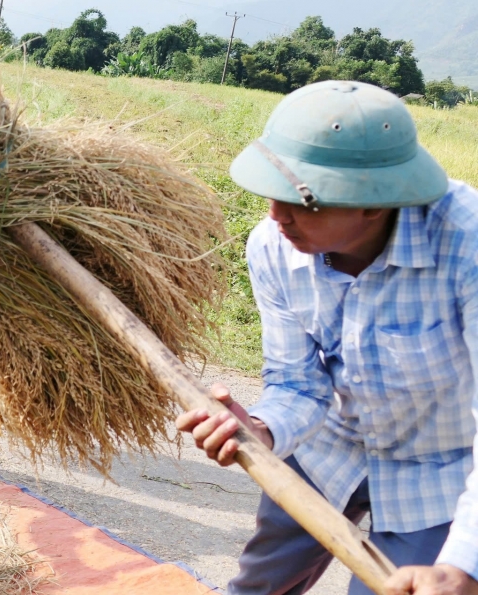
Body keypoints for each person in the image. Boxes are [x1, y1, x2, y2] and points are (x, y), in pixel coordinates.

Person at [177, 80, 478, 595]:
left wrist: (463, 567)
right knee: (259, 586)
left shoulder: (466, 245)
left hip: (437, 471)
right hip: (327, 447)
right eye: (272, 192)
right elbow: (297, 383)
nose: (276, 215)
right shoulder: (273, 246)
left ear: (374, 204)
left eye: (305, 199)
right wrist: (263, 431)